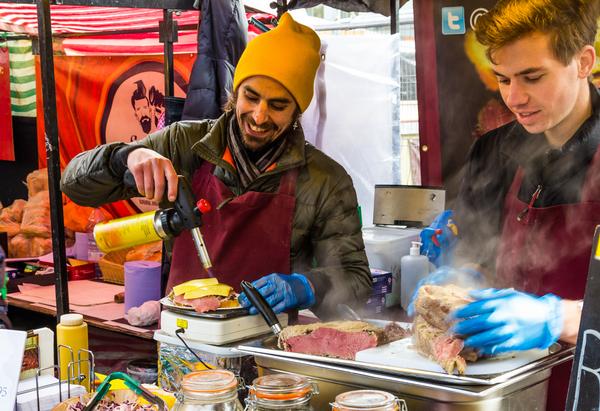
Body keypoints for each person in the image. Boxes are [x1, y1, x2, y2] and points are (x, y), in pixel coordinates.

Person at [61, 13, 371, 320]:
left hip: (270, 351)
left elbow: (356, 280)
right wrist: (125, 157)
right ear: (235, 93)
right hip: (183, 341)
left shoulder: (325, 180)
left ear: (297, 111)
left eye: (278, 105)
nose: (260, 117)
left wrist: (307, 286)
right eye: (251, 97)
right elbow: (74, 184)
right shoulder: (183, 144)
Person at [412, 1, 600, 409]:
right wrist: (461, 279)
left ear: (583, 61)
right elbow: (476, 252)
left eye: (532, 77)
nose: (515, 98)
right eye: (502, 79)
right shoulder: (492, 152)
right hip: (503, 390)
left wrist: (558, 319)